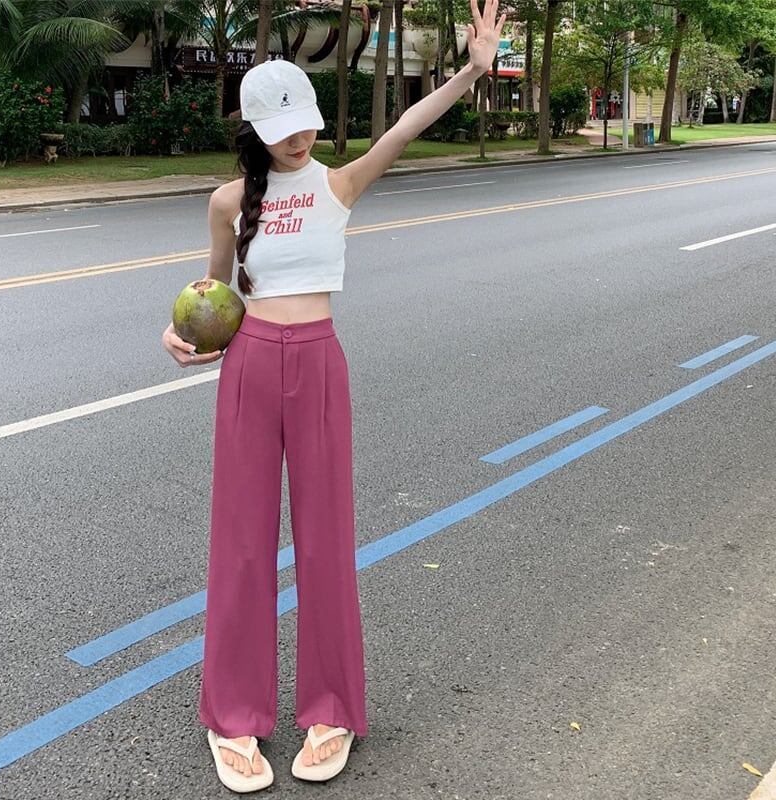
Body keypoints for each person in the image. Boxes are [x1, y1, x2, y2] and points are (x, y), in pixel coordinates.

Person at [161, 0, 505, 792]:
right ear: (255, 129)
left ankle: (332, 709)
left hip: (318, 363)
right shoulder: (227, 202)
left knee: (324, 541)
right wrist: (177, 331)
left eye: (307, 123)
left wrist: (472, 71)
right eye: (285, 128)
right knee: (242, 544)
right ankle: (233, 716)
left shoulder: (339, 183)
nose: (301, 137)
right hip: (249, 367)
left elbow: (405, 126)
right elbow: (211, 293)